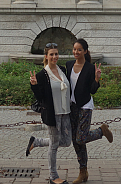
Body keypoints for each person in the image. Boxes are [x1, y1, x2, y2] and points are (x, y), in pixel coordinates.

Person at [66, 39, 113, 183]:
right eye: (74, 49)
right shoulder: (68, 65)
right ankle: (83, 172)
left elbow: (92, 90)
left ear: (85, 51)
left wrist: (97, 79)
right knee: (76, 141)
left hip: (85, 105)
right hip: (71, 106)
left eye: (79, 49)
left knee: (80, 138)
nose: (76, 52)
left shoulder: (90, 67)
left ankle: (101, 131)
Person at [27, 43, 72, 184]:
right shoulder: (42, 75)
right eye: (51, 54)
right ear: (46, 56)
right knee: (54, 145)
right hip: (53, 114)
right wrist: (34, 85)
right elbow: (40, 98)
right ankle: (53, 176)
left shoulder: (63, 70)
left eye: (56, 54)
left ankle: (37, 141)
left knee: (66, 141)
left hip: (66, 112)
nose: (54, 57)